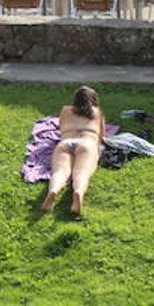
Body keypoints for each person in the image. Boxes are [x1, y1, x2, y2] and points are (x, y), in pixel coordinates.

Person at [42, 86, 105, 217]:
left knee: (60, 172)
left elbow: (61, 128)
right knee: (81, 173)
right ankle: (78, 194)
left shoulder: (65, 110)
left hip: (65, 143)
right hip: (87, 143)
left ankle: (53, 190)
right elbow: (102, 136)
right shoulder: (97, 112)